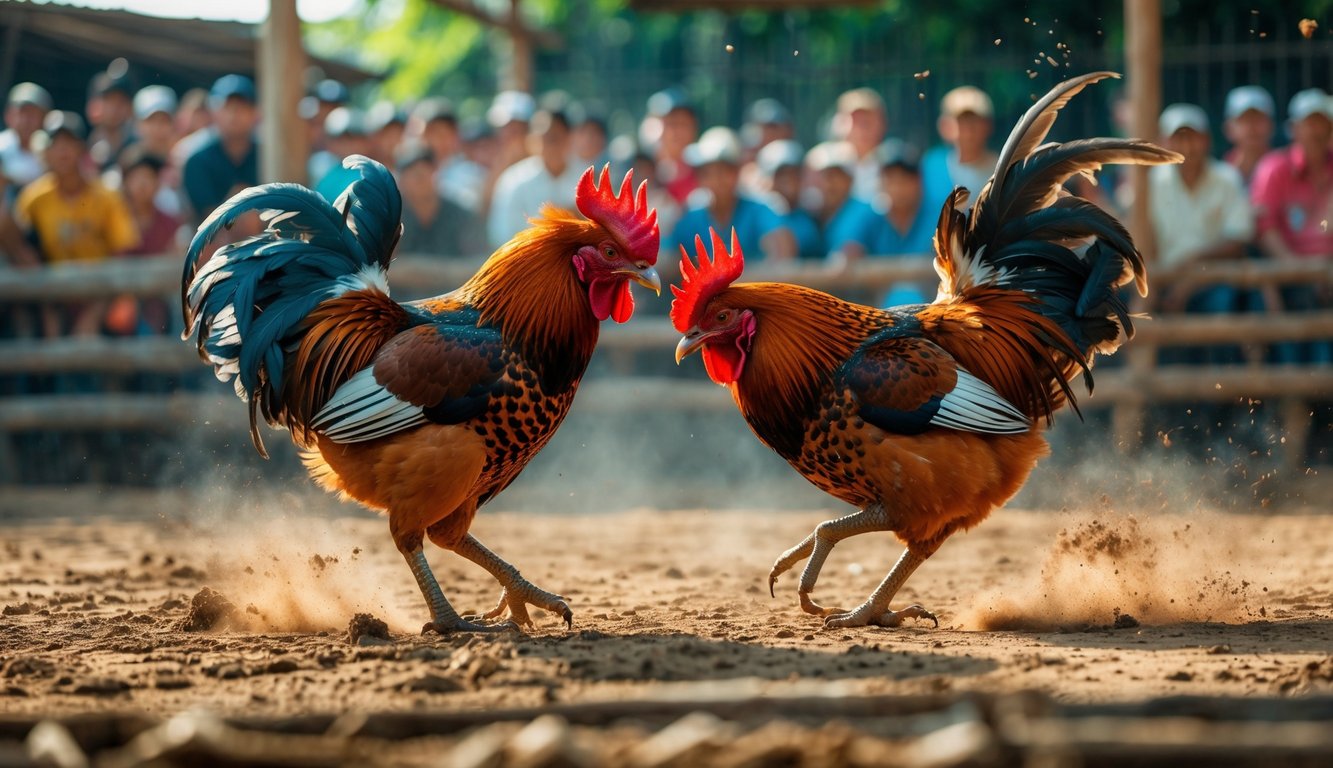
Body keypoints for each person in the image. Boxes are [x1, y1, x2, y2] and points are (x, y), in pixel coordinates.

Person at [12, 111, 140, 337]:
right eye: (56, 145)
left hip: (101, 291)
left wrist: (96, 310)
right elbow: (20, 247)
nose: (63, 152)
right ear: (46, 152)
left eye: (69, 143)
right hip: (52, 295)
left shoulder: (106, 196)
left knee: (125, 316)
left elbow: (123, 251)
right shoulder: (33, 199)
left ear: (82, 149)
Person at [1148, 103, 1254, 365]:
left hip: (1214, 278)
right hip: (1164, 281)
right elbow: (1142, 239)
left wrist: (1192, 267)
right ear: (1165, 142)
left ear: (1206, 140)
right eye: (1179, 138)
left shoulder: (1226, 179)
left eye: (1192, 137)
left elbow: (1237, 243)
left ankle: (1219, 399)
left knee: (1221, 306)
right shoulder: (1151, 182)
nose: (1187, 146)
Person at [1251, 88, 1333, 364]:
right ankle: (1296, 399)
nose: (1317, 130)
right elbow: (1265, 230)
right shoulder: (1274, 168)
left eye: (1323, 122)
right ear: (1294, 128)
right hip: (1289, 275)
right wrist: (1303, 271)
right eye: (1310, 122)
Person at [668, 126, 795, 262]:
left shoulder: (761, 210)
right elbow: (669, 259)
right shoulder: (691, 218)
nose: (716, 180)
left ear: (737, 172)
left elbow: (782, 254)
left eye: (723, 171)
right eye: (708, 173)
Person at [487, 95, 581, 248]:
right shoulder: (513, 181)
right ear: (531, 140)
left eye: (554, 137)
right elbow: (501, 237)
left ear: (569, 137)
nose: (548, 145)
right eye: (542, 137)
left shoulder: (587, 178)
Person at [181, 74, 259, 226]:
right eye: (227, 107)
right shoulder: (197, 160)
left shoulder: (269, 156)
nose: (234, 114)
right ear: (213, 112)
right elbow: (208, 224)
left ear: (255, 113)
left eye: (242, 107)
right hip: (212, 244)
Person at [394, 140, 485, 258]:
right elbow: (381, 266)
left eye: (426, 170)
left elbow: (478, 262)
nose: (420, 178)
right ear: (401, 180)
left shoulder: (461, 215)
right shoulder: (391, 219)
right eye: (412, 172)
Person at [873, 140, 934, 306]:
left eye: (905, 178)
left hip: (936, 317)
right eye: (891, 178)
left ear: (919, 181)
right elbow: (847, 252)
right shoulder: (871, 217)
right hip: (878, 319)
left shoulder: (940, 217)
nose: (898, 186)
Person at [922, 85, 998, 215]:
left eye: (974, 121)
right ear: (944, 126)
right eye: (961, 121)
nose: (969, 129)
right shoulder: (930, 167)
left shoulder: (1003, 168)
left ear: (988, 125)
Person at [806, 141, 880, 266]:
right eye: (825, 176)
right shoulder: (813, 213)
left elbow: (848, 253)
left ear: (850, 180)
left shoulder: (861, 210)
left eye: (837, 176)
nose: (830, 184)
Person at [408, 97, 485, 212]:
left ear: (455, 136)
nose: (437, 141)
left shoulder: (471, 177)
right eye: (432, 132)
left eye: (444, 133)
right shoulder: (403, 173)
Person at [753, 139, 822, 260]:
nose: (788, 181)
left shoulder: (812, 213)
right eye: (781, 175)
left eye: (794, 174)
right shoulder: (756, 213)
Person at [830, 87, 889, 203]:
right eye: (855, 120)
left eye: (867, 121)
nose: (861, 129)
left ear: (882, 123)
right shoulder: (821, 163)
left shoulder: (895, 164)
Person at [642, 87, 698, 206]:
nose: (677, 132)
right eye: (671, 124)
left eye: (683, 124)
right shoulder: (641, 169)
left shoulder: (703, 169)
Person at [312, 106, 373, 201]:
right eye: (341, 140)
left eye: (354, 138)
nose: (348, 145)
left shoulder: (375, 172)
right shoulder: (327, 179)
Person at [1222, 85, 1276, 190]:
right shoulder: (1218, 174)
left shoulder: (1287, 171)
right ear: (1228, 128)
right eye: (1244, 120)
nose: (1252, 127)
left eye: (1258, 119)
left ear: (1271, 126)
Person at [0, 82, 52, 190]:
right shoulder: (1, 146)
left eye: (32, 114)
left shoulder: (50, 150)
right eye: (21, 113)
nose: (26, 120)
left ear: (44, 118)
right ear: (8, 115)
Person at [87, 69, 137, 173]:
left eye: (121, 102)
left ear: (129, 107)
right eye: (109, 101)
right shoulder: (84, 140)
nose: (114, 108)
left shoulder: (136, 144)